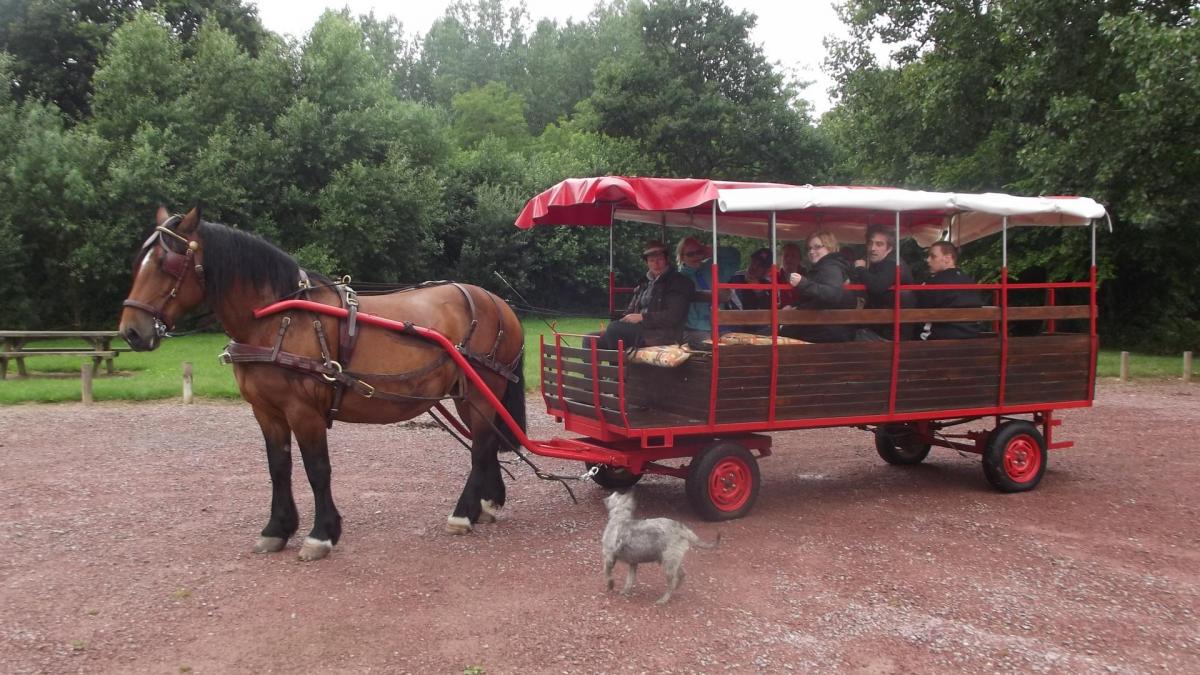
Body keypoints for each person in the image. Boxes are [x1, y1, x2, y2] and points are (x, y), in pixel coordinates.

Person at [593, 240, 693, 351]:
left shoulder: (678, 282)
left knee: (614, 329)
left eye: (659, 259)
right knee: (590, 338)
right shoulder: (644, 282)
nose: (656, 264)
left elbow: (673, 316)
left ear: (666, 260)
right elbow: (630, 310)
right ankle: (599, 368)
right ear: (647, 263)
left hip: (661, 334)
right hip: (638, 331)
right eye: (651, 260)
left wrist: (641, 317)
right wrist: (623, 319)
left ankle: (618, 368)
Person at [780, 231, 856, 343]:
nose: (811, 251)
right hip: (824, 328)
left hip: (825, 333)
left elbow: (832, 295)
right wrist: (794, 307)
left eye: (817, 247)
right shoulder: (824, 266)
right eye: (809, 248)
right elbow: (815, 298)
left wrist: (802, 283)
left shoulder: (830, 267)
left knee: (774, 332)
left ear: (829, 247)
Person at [852, 224, 917, 340]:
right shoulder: (883, 263)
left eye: (879, 244)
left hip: (892, 337)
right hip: (888, 328)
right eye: (870, 243)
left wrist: (860, 269)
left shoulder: (891, 264)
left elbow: (877, 286)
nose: (873, 248)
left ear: (890, 248)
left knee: (848, 337)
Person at [918, 241, 984, 340]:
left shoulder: (935, 282)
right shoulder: (968, 280)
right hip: (971, 335)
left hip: (940, 337)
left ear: (947, 258)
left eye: (933, 256)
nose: (928, 260)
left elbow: (920, 310)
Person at [675, 236, 724, 346]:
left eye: (698, 252)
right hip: (692, 330)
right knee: (712, 346)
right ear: (682, 257)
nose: (696, 256)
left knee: (736, 345)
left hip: (718, 325)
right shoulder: (679, 278)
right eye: (690, 254)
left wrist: (708, 250)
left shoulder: (710, 268)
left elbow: (734, 256)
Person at [726, 247, 773, 333]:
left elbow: (770, 310)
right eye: (754, 262)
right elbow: (730, 305)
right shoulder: (736, 278)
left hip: (760, 327)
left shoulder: (769, 284)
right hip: (735, 325)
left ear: (767, 270)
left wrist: (759, 292)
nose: (754, 267)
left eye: (760, 266)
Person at [776, 242, 803, 308]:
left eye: (793, 256)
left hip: (802, 316)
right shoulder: (774, 278)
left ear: (799, 259)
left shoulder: (807, 278)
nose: (789, 259)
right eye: (786, 256)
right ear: (781, 258)